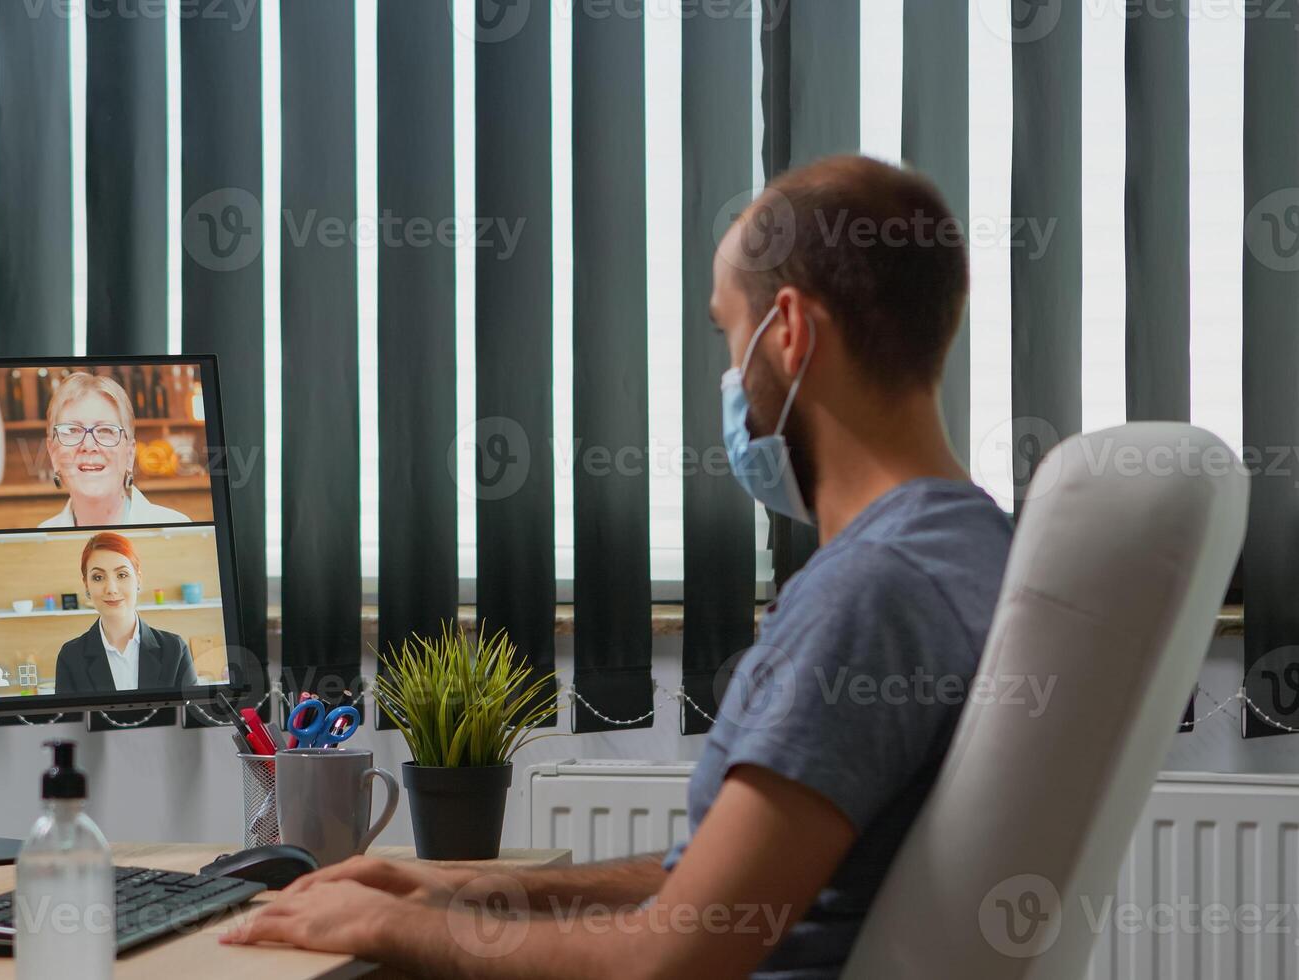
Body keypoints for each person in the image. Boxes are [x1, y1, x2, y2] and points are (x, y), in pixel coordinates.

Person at [224, 155, 1016, 979]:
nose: (730, 375)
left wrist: (391, 930)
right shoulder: (970, 550)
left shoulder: (868, 594)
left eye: (727, 331)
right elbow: (718, 889)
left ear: (789, 333)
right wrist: (467, 886)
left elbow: (671, 953)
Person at [53, 531, 198, 693]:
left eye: (122, 575)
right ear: (86, 585)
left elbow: (193, 716)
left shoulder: (175, 650)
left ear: (138, 580)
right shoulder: (71, 656)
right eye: (98, 577)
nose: (111, 589)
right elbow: (70, 718)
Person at [40, 372, 190, 527]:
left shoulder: (177, 528)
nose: (89, 446)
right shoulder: (39, 541)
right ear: (53, 453)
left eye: (105, 431)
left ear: (130, 454)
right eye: (72, 430)